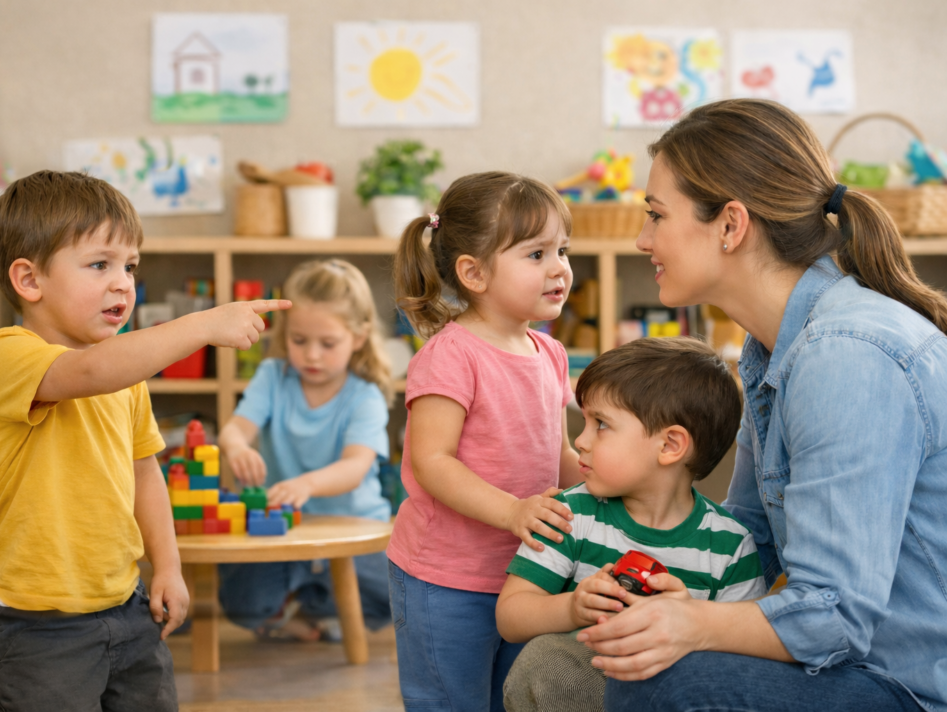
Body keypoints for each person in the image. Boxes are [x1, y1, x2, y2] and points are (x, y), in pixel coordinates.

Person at [579, 99, 947, 712]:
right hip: (859, 664)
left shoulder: (846, 356)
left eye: (655, 215)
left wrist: (691, 624)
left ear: (730, 224)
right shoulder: (773, 344)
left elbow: (834, 617)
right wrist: (630, 572)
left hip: (907, 685)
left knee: (667, 682)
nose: (643, 239)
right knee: (566, 652)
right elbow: (747, 538)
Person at [0, 170, 288, 711]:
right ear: (28, 280)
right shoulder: (7, 355)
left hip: (125, 605)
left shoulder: (126, 376)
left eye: (130, 266)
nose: (123, 282)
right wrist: (203, 324)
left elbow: (146, 473)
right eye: (100, 264)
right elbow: (89, 372)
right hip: (31, 623)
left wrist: (168, 566)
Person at [386, 171, 584, 712]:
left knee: (511, 701)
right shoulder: (451, 355)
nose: (560, 268)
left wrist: (615, 482)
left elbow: (558, 455)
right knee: (449, 703)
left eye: (562, 250)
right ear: (473, 272)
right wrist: (512, 510)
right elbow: (431, 461)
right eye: (536, 254)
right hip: (445, 579)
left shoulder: (551, 354)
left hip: (526, 575)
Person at [496, 337, 767, 712]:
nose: (581, 440)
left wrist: (692, 618)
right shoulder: (570, 514)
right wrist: (573, 608)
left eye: (601, 424)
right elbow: (510, 616)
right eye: (585, 421)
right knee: (546, 660)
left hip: (673, 695)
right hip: (577, 688)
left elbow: (743, 655)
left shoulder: (730, 545)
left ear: (670, 445)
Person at [217, 259, 394, 641]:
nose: (312, 355)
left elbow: (355, 466)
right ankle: (301, 615)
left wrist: (307, 485)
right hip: (284, 531)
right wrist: (235, 447)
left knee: (398, 599)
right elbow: (236, 429)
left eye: (327, 344)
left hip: (356, 531)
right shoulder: (273, 377)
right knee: (239, 601)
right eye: (299, 341)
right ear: (285, 333)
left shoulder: (365, 397)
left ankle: (313, 612)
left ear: (359, 338)